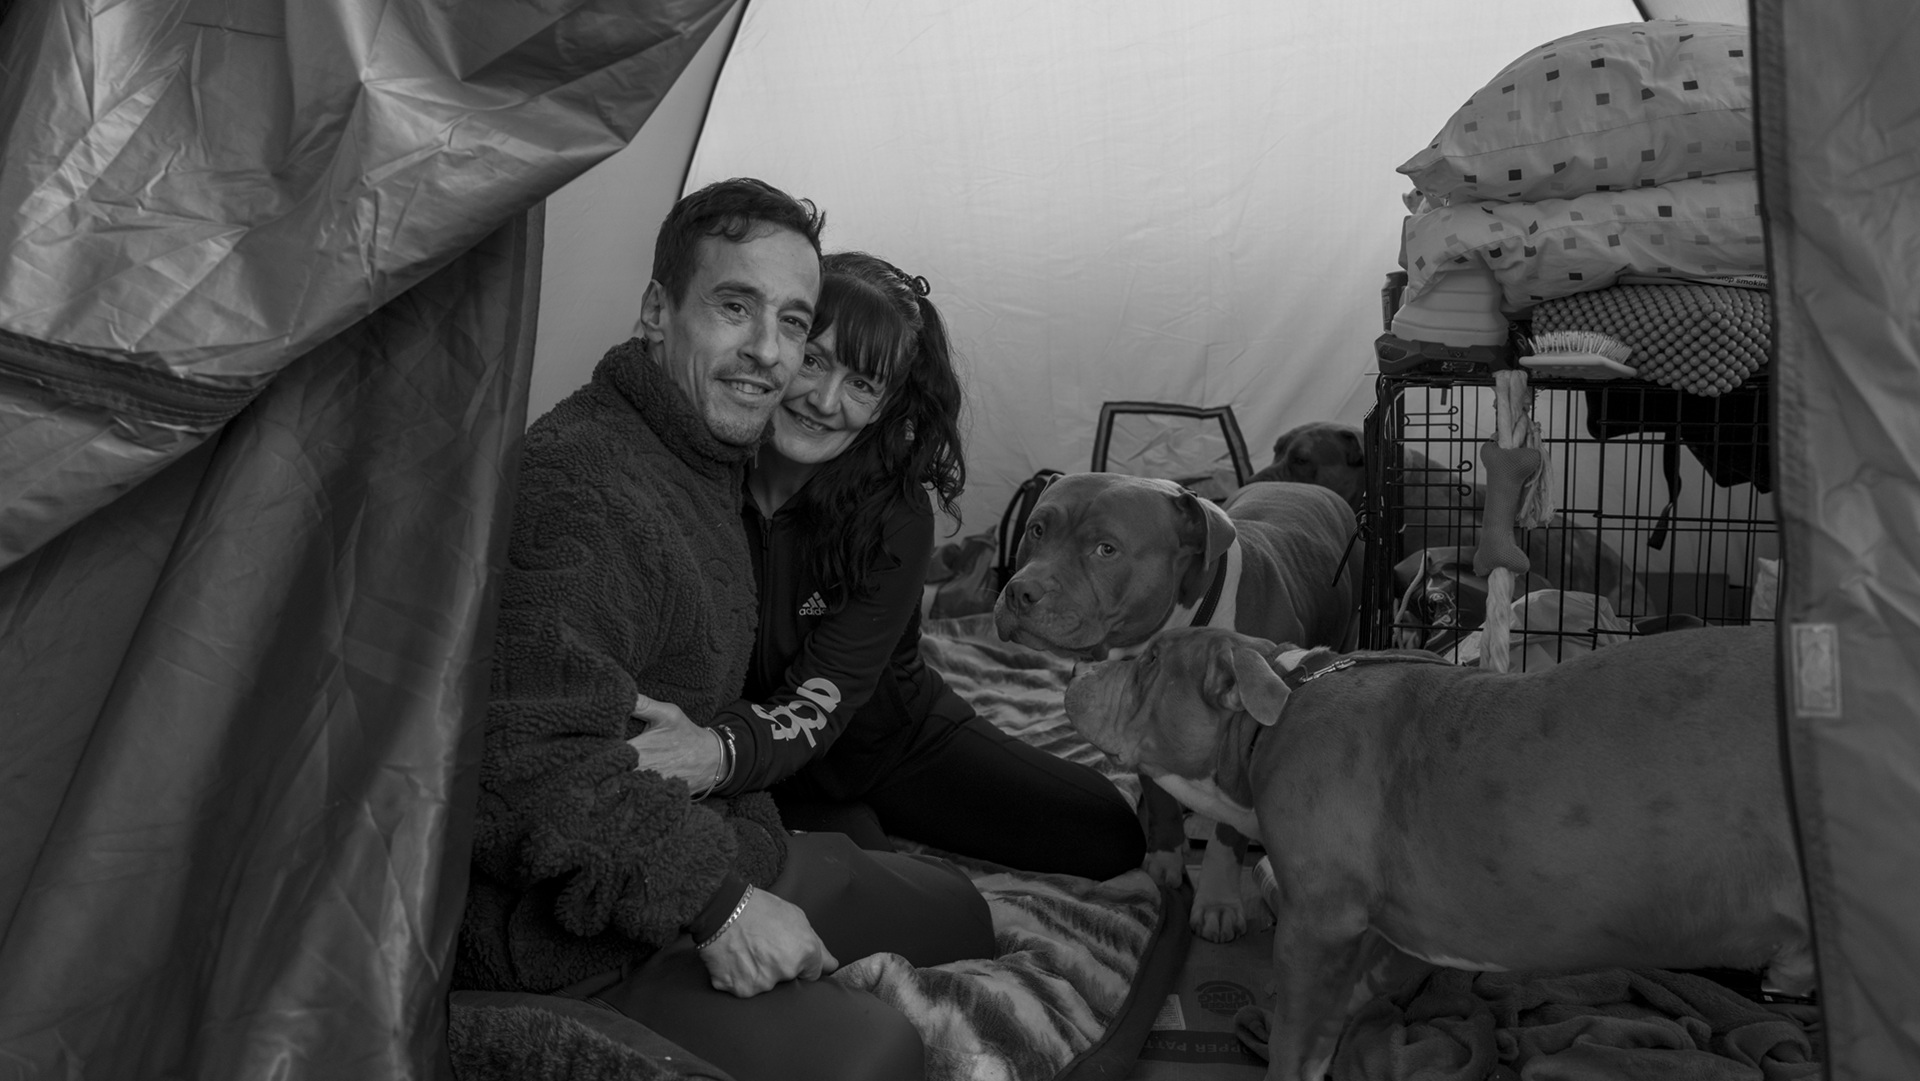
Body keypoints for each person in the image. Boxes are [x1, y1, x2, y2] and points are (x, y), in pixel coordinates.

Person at [455, 179, 995, 1081]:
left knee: (961, 913)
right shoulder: (581, 485)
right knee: (875, 1056)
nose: (770, 354)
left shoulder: (706, 455)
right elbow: (521, 758)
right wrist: (719, 907)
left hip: (723, 826)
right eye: (735, 307)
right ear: (657, 312)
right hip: (599, 924)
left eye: (793, 322)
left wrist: (721, 775)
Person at [629, 251, 1145, 879]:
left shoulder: (895, 514)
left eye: (862, 384)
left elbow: (827, 692)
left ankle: (873, 818)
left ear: (886, 405)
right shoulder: (698, 466)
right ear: (777, 347)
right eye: (814, 361)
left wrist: (716, 752)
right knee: (857, 881)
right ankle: (854, 832)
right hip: (767, 764)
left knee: (1110, 834)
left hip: (888, 743)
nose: (823, 400)